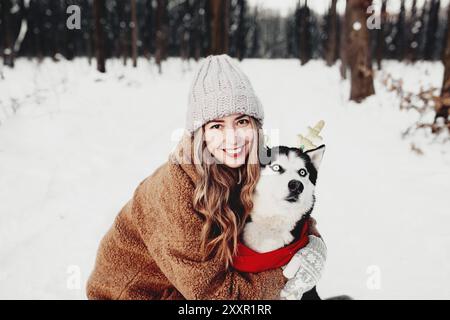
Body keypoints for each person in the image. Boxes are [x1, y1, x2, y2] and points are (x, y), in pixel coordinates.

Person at [86, 54, 326, 300]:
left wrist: (312, 243)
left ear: (255, 126)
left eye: (241, 121)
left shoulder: (252, 160)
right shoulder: (176, 192)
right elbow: (215, 297)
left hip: (184, 288)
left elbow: (284, 207)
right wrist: (286, 278)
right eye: (216, 126)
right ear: (200, 134)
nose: (232, 138)